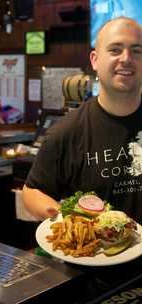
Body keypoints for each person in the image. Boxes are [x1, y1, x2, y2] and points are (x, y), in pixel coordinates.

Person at [22, 17, 142, 224]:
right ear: (95, 60)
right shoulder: (66, 132)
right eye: (115, 50)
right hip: (93, 254)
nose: (126, 58)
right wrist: (64, 220)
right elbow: (32, 191)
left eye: (137, 50)